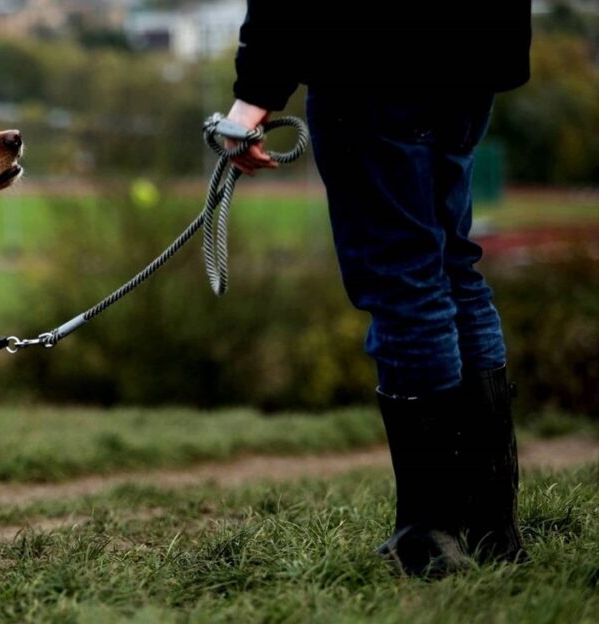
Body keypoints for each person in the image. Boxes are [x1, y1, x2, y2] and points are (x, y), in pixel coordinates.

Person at [228, 1, 532, 576]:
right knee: (454, 270)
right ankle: (491, 529)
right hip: (476, 49)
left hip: (369, 56)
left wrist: (255, 92)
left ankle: (431, 538)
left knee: (406, 282)